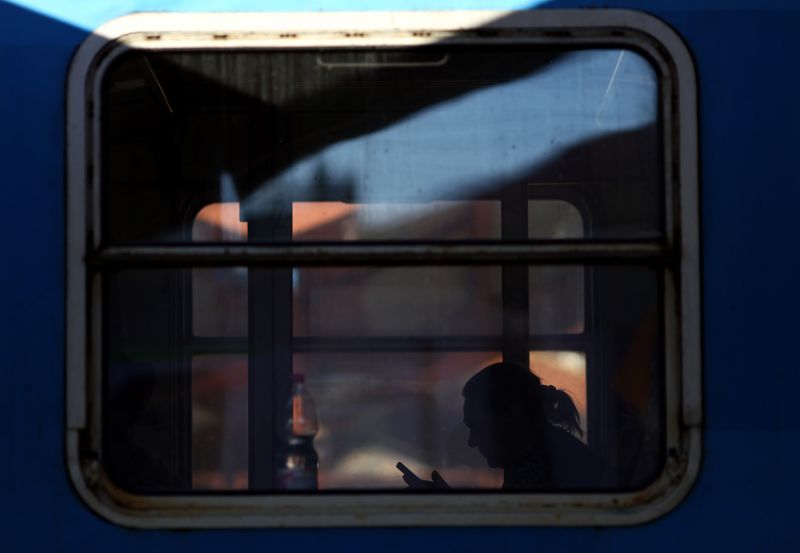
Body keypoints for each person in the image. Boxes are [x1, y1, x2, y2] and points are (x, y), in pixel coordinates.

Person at [399, 362, 606, 490]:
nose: (472, 442)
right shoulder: (544, 457)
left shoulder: (543, 472)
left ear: (510, 419)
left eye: (477, 427)